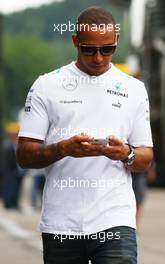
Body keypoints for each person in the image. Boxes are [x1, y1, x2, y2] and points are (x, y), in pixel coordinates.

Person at [16, 6, 153, 264]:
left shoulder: (134, 89)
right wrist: (63, 148)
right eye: (89, 49)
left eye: (107, 49)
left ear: (117, 42)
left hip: (115, 221)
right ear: (75, 41)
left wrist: (126, 153)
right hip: (61, 224)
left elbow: (146, 158)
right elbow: (24, 155)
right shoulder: (47, 85)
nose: (99, 58)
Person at [2, 122, 26, 210]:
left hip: (19, 172)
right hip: (10, 172)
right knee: (10, 188)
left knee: (17, 189)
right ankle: (9, 204)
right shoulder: (6, 146)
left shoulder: (19, 145)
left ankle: (15, 204)